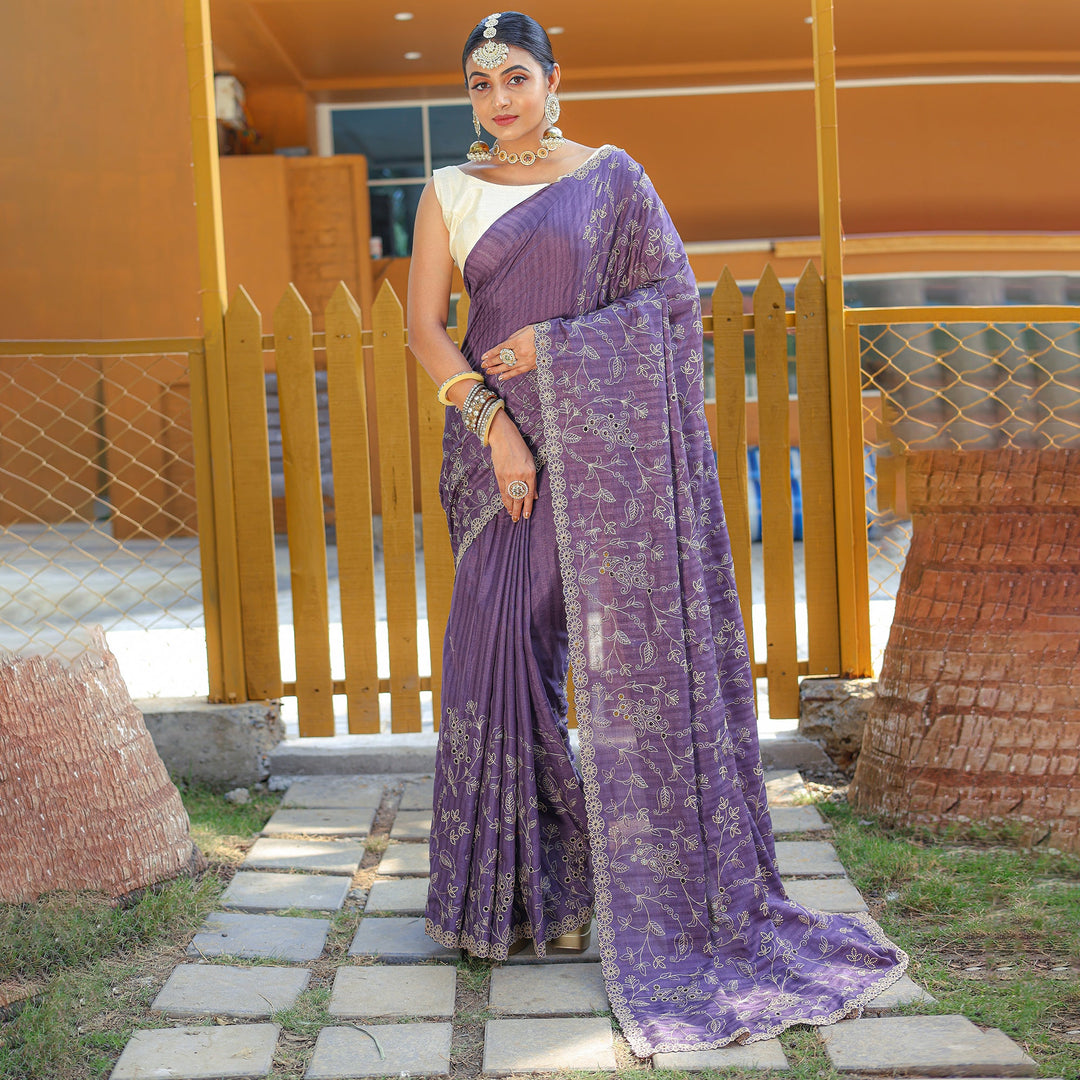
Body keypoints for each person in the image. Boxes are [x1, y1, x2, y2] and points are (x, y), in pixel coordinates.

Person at [407, 11, 908, 1058]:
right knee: (492, 653)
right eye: (480, 84)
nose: (499, 99)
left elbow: (670, 304)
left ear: (554, 80)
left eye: (516, 76)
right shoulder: (449, 190)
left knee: (582, 654)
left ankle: (599, 879)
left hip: (600, 447)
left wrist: (555, 346)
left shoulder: (613, 180)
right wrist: (495, 427)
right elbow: (425, 328)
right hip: (493, 451)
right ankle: (527, 893)